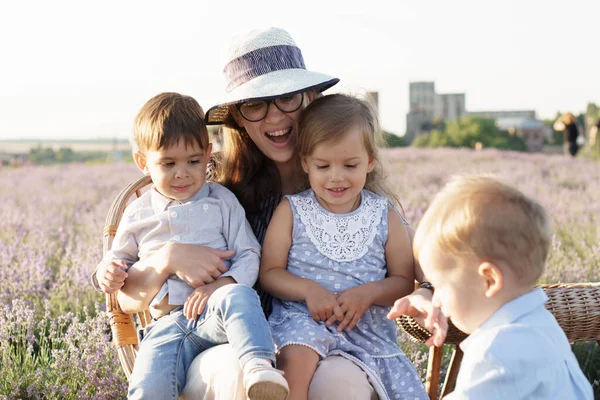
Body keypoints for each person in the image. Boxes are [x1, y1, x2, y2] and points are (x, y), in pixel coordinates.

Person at [94, 27, 445, 399]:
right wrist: (167, 257)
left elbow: (419, 265)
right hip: (221, 343)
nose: (275, 117)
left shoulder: (356, 193)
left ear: (309, 99)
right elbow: (129, 301)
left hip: (332, 345)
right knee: (237, 374)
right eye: (256, 104)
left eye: (288, 99)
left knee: (337, 382)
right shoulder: (213, 191)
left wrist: (425, 290)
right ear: (239, 119)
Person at [96, 92, 289, 400]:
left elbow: (250, 254)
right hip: (165, 325)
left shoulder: (222, 201)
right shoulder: (138, 212)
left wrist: (221, 285)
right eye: (168, 163)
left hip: (215, 314)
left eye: (194, 161)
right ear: (143, 162)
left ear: (208, 153)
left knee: (239, 295)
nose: (182, 173)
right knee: (148, 387)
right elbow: (118, 261)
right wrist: (109, 272)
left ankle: (259, 367)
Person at [259, 93, 428, 400]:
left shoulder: (383, 214)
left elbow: (403, 280)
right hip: (304, 320)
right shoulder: (293, 210)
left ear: (370, 162)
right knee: (294, 358)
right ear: (306, 163)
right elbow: (270, 272)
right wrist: (308, 290)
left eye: (350, 165)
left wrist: (369, 293)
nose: (336, 178)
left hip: (366, 329)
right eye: (323, 166)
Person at [410, 175, 593, 399]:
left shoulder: (496, 353)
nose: (436, 300)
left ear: (489, 280)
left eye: (440, 286)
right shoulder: (542, 326)